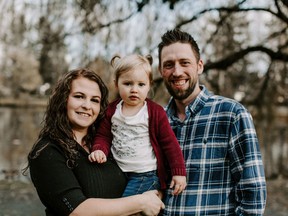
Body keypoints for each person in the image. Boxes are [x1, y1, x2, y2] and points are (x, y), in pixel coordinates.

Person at [24, 68, 165, 216]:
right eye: (79, 96)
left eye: (94, 100)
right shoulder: (47, 151)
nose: (87, 105)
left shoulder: (108, 142)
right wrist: (141, 202)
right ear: (63, 99)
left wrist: (155, 193)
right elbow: (77, 211)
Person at [157, 29, 267, 215]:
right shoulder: (156, 122)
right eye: (169, 65)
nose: (177, 72)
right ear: (161, 71)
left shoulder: (232, 114)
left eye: (185, 63)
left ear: (199, 66)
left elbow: (253, 196)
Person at [88, 54, 187, 197]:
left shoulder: (154, 112)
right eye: (128, 84)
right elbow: (103, 135)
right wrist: (99, 150)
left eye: (141, 84)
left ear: (149, 85)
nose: (134, 89)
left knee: (125, 206)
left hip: (145, 174)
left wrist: (179, 172)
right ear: (117, 84)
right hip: (117, 172)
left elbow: (170, 143)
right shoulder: (111, 110)